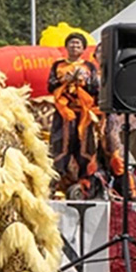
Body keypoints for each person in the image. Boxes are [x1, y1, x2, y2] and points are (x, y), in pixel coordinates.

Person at [47, 32, 101, 195]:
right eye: (71, 43)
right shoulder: (58, 66)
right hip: (64, 113)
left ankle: (85, 182)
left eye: (78, 44)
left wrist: (81, 81)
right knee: (61, 145)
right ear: (66, 46)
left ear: (83, 48)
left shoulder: (89, 67)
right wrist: (65, 81)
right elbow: (50, 86)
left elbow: (94, 89)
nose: (74, 46)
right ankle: (58, 182)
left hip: (83, 113)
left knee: (85, 147)